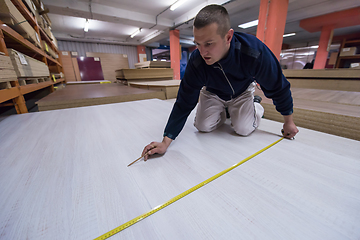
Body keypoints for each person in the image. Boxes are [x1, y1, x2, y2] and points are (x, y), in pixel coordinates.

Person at [142, 4, 299, 160]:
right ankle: (227, 110)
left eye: (209, 44)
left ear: (228, 37)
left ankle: (255, 105)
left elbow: (278, 86)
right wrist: (166, 141)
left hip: (242, 91)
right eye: (198, 44)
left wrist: (288, 122)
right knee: (202, 127)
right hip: (212, 92)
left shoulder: (253, 51)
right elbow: (184, 102)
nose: (202, 52)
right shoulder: (197, 61)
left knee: (243, 129)